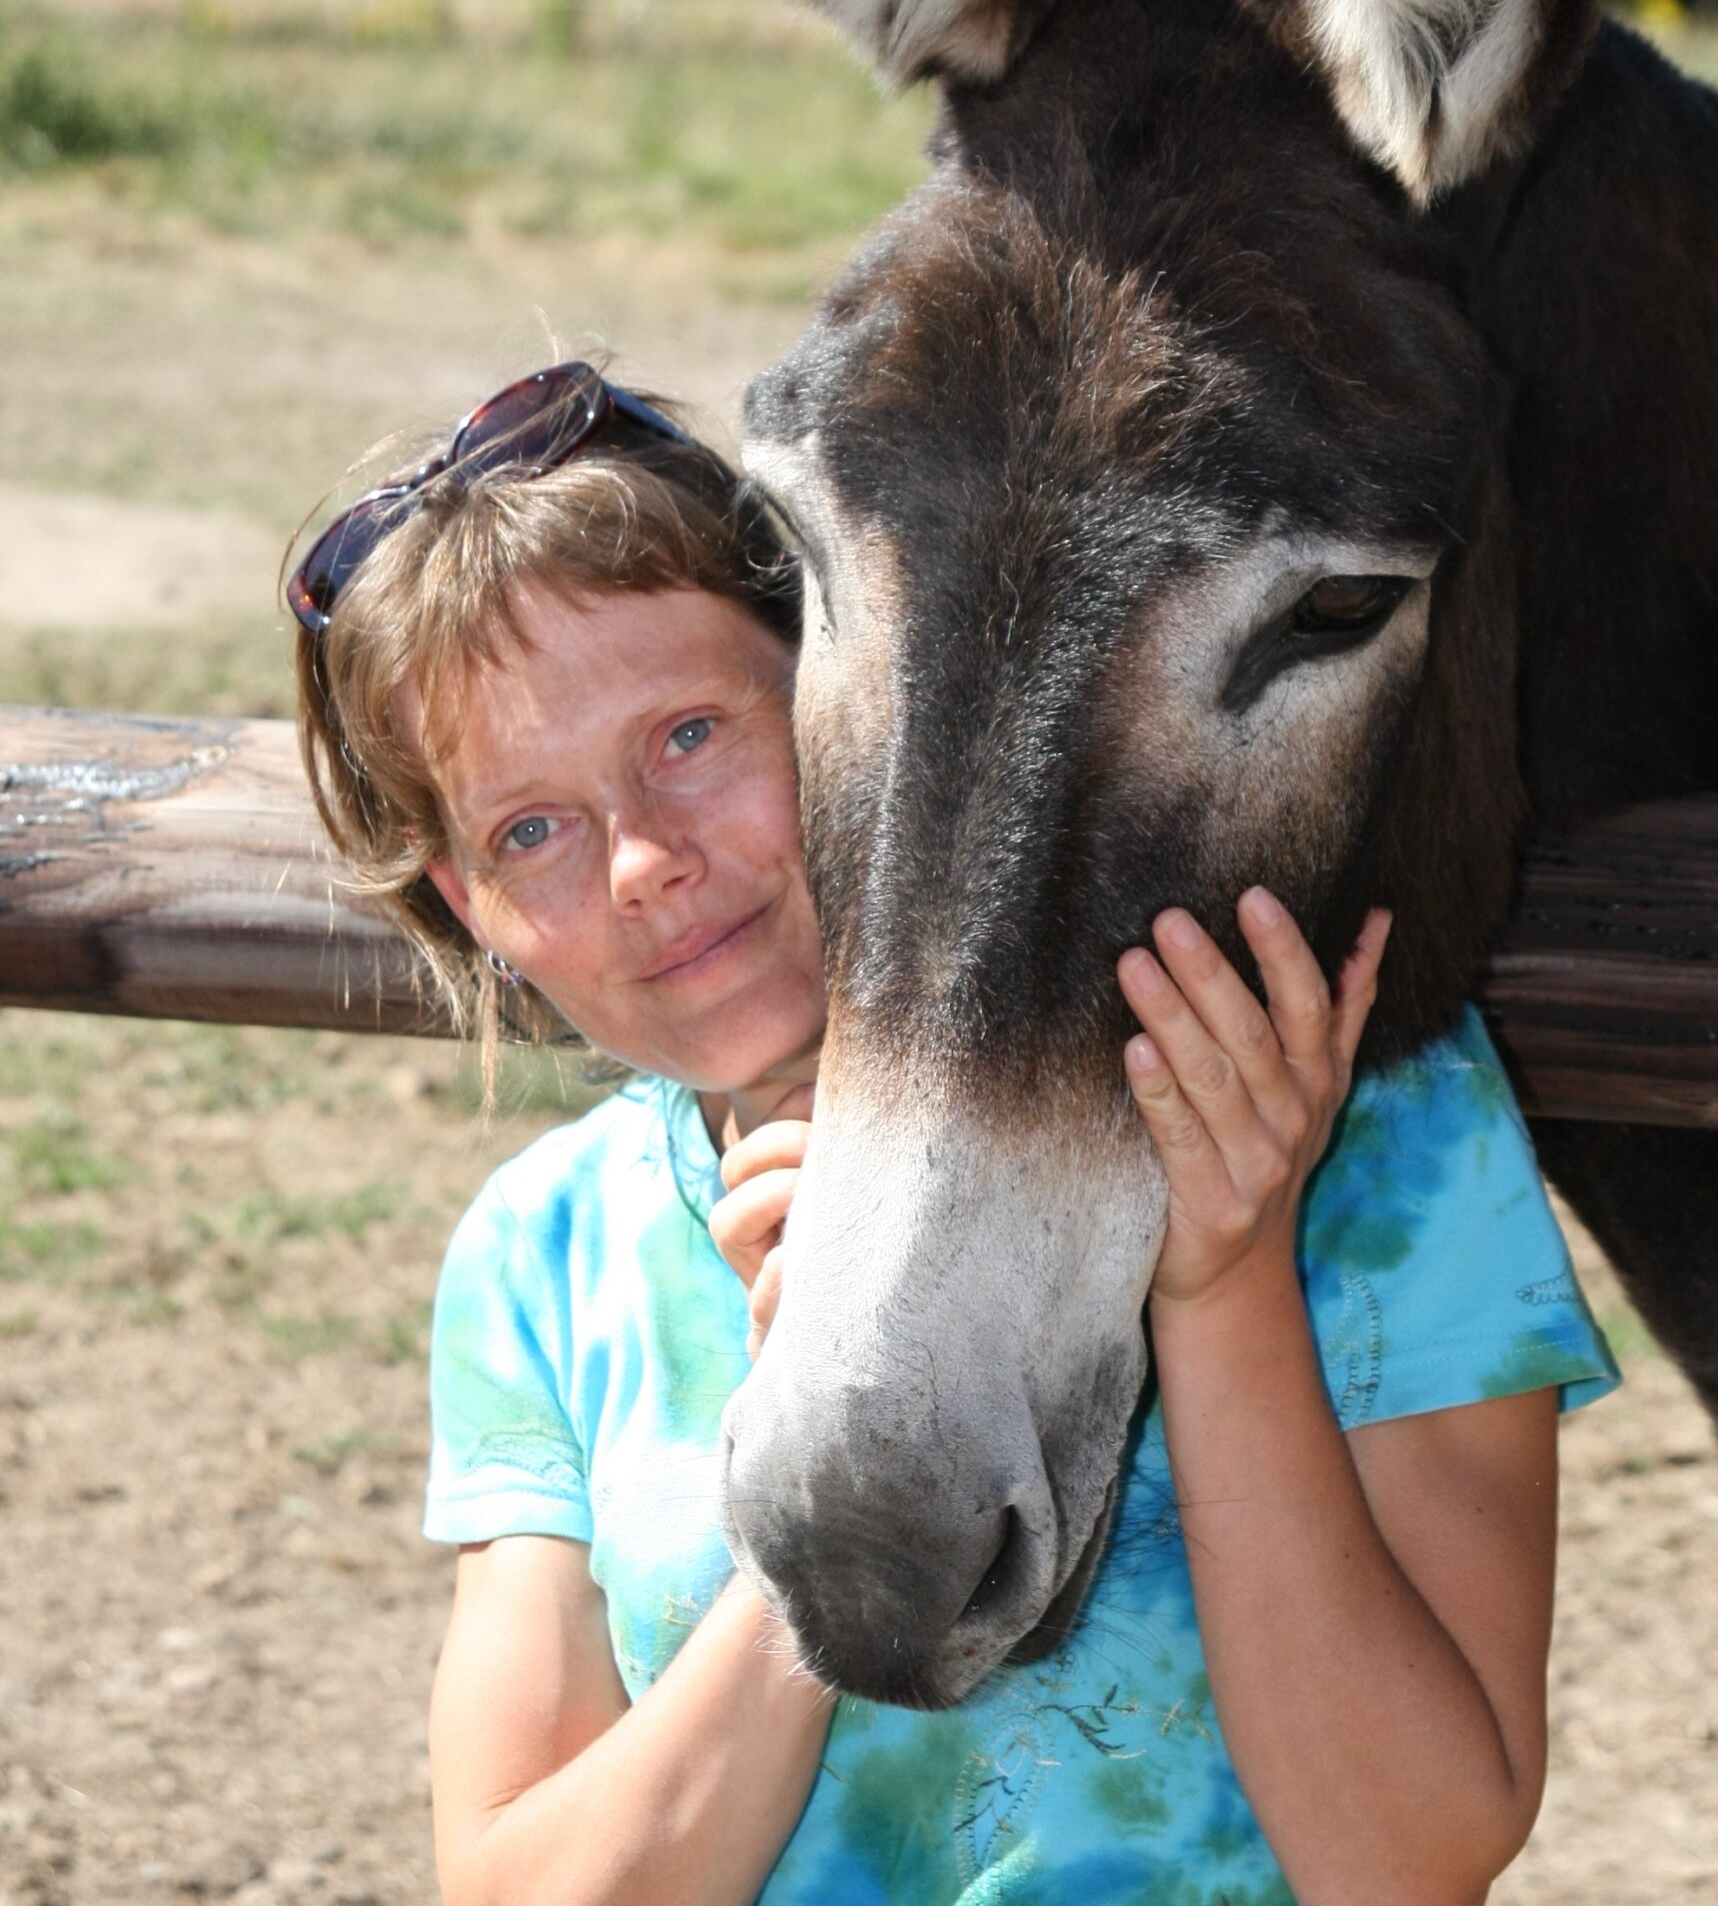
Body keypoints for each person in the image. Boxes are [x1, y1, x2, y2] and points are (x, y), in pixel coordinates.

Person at [288, 358, 1617, 1906]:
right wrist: (839, 1469)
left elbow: (1411, 1856)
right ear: (476, 909)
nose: (643, 858)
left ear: (864, 697)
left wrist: (1223, 1280)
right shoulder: (548, 1250)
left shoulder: (1358, 1125)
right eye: (531, 828)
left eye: (688, 737)